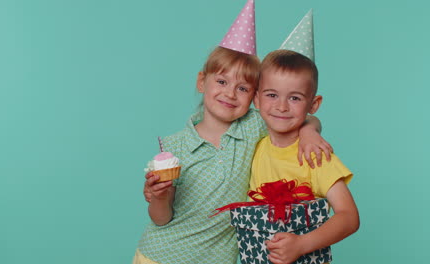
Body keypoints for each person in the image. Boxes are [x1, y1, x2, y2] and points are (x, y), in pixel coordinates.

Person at [133, 2, 331, 264]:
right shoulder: (175, 146)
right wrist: (159, 196)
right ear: (202, 81)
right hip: (160, 256)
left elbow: (302, 117)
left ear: (255, 97)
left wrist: (309, 133)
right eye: (222, 81)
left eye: (242, 88)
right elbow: (161, 218)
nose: (229, 93)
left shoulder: (255, 126)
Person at [250, 49, 360, 264]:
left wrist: (302, 244)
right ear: (256, 98)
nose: (281, 106)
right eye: (272, 95)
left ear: (313, 105)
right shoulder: (253, 144)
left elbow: (349, 217)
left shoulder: (315, 155)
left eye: (295, 98)